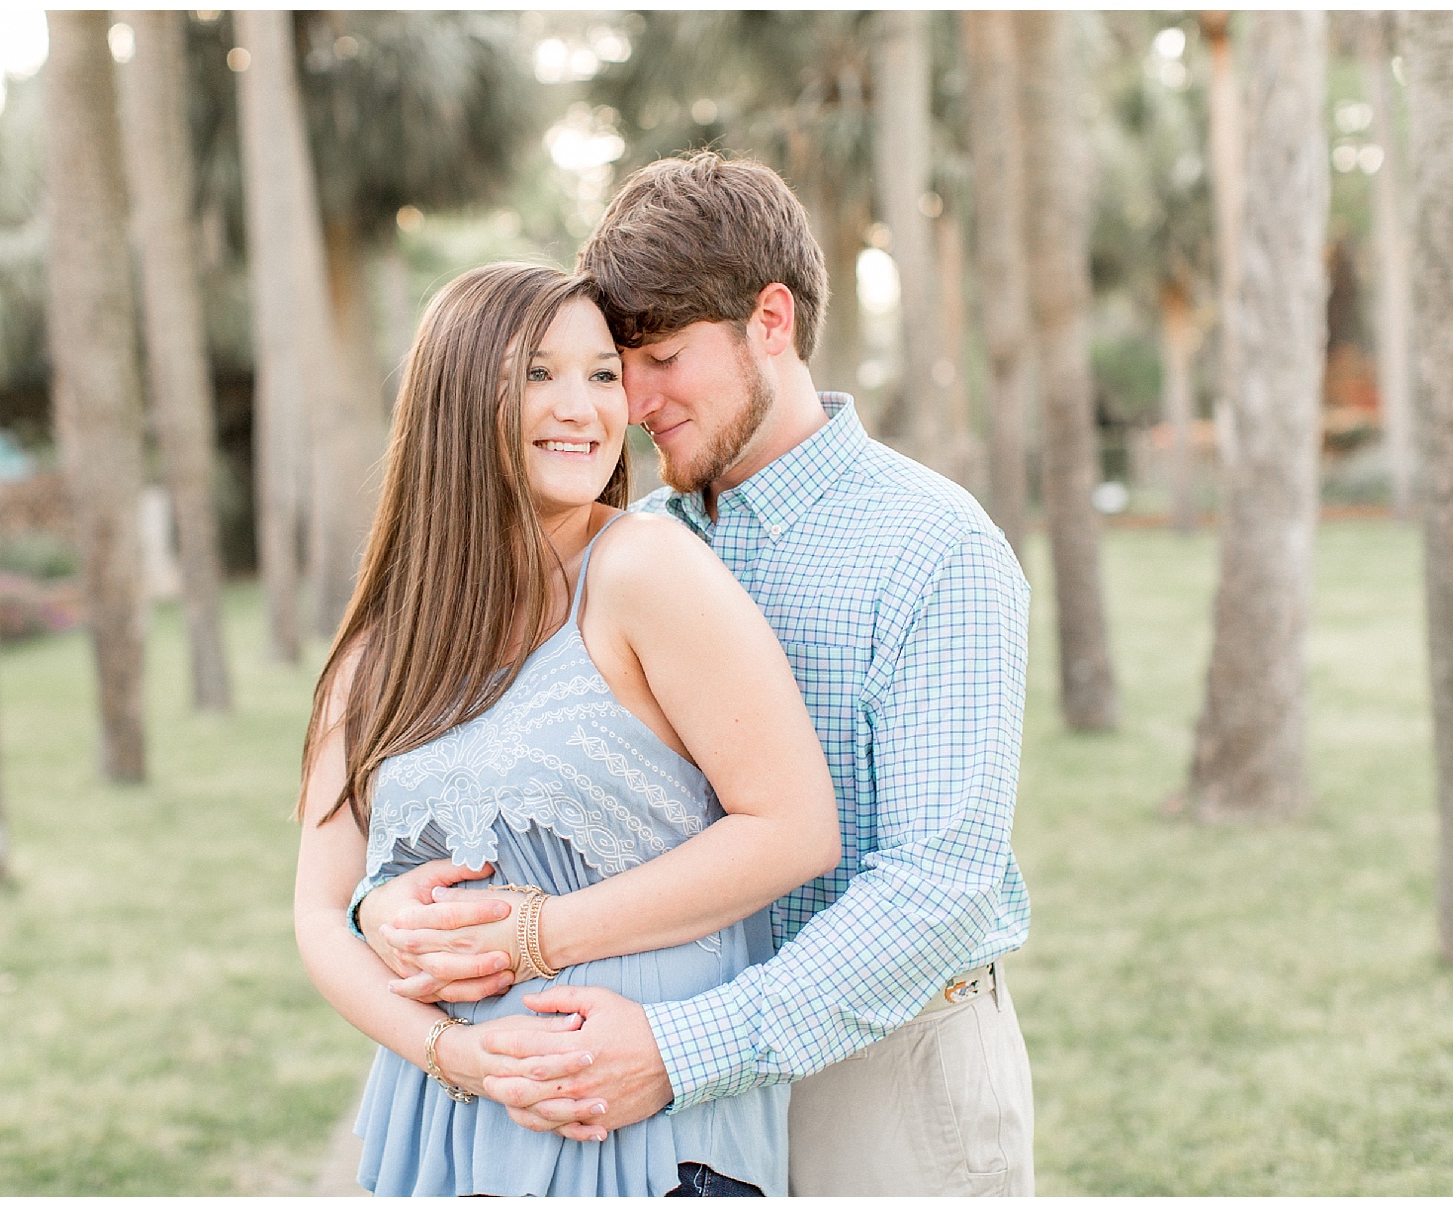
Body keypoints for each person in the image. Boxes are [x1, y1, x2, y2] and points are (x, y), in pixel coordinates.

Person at [358, 153, 1037, 1196]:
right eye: (619, 363)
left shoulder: (932, 545)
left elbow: (937, 887)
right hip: (672, 1085)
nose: (631, 399)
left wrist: (682, 1048)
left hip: (883, 1069)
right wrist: (385, 906)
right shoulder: (631, 543)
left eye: (661, 357)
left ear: (771, 321)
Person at [292, 261, 843, 1197]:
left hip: (640, 1133)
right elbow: (319, 911)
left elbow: (795, 828)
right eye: (539, 374)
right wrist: (449, 1052)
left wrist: (535, 936)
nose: (583, 407)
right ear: (458, 401)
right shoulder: (378, 648)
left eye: (601, 374)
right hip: (448, 1126)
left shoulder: (642, 567)